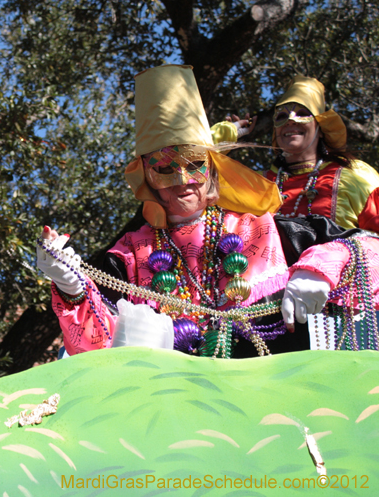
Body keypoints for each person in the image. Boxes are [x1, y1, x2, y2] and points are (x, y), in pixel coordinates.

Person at [37, 65, 379, 358]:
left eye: (195, 164)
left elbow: (368, 248)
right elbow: (95, 346)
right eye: (165, 168)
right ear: (147, 177)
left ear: (214, 169)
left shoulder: (263, 228)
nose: (183, 180)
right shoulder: (127, 255)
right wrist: (73, 289)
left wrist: (320, 269)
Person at [215, 75, 379, 233]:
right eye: (281, 116)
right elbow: (193, 171)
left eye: (302, 114)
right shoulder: (253, 183)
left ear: (320, 129)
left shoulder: (353, 175)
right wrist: (227, 134)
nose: (290, 120)